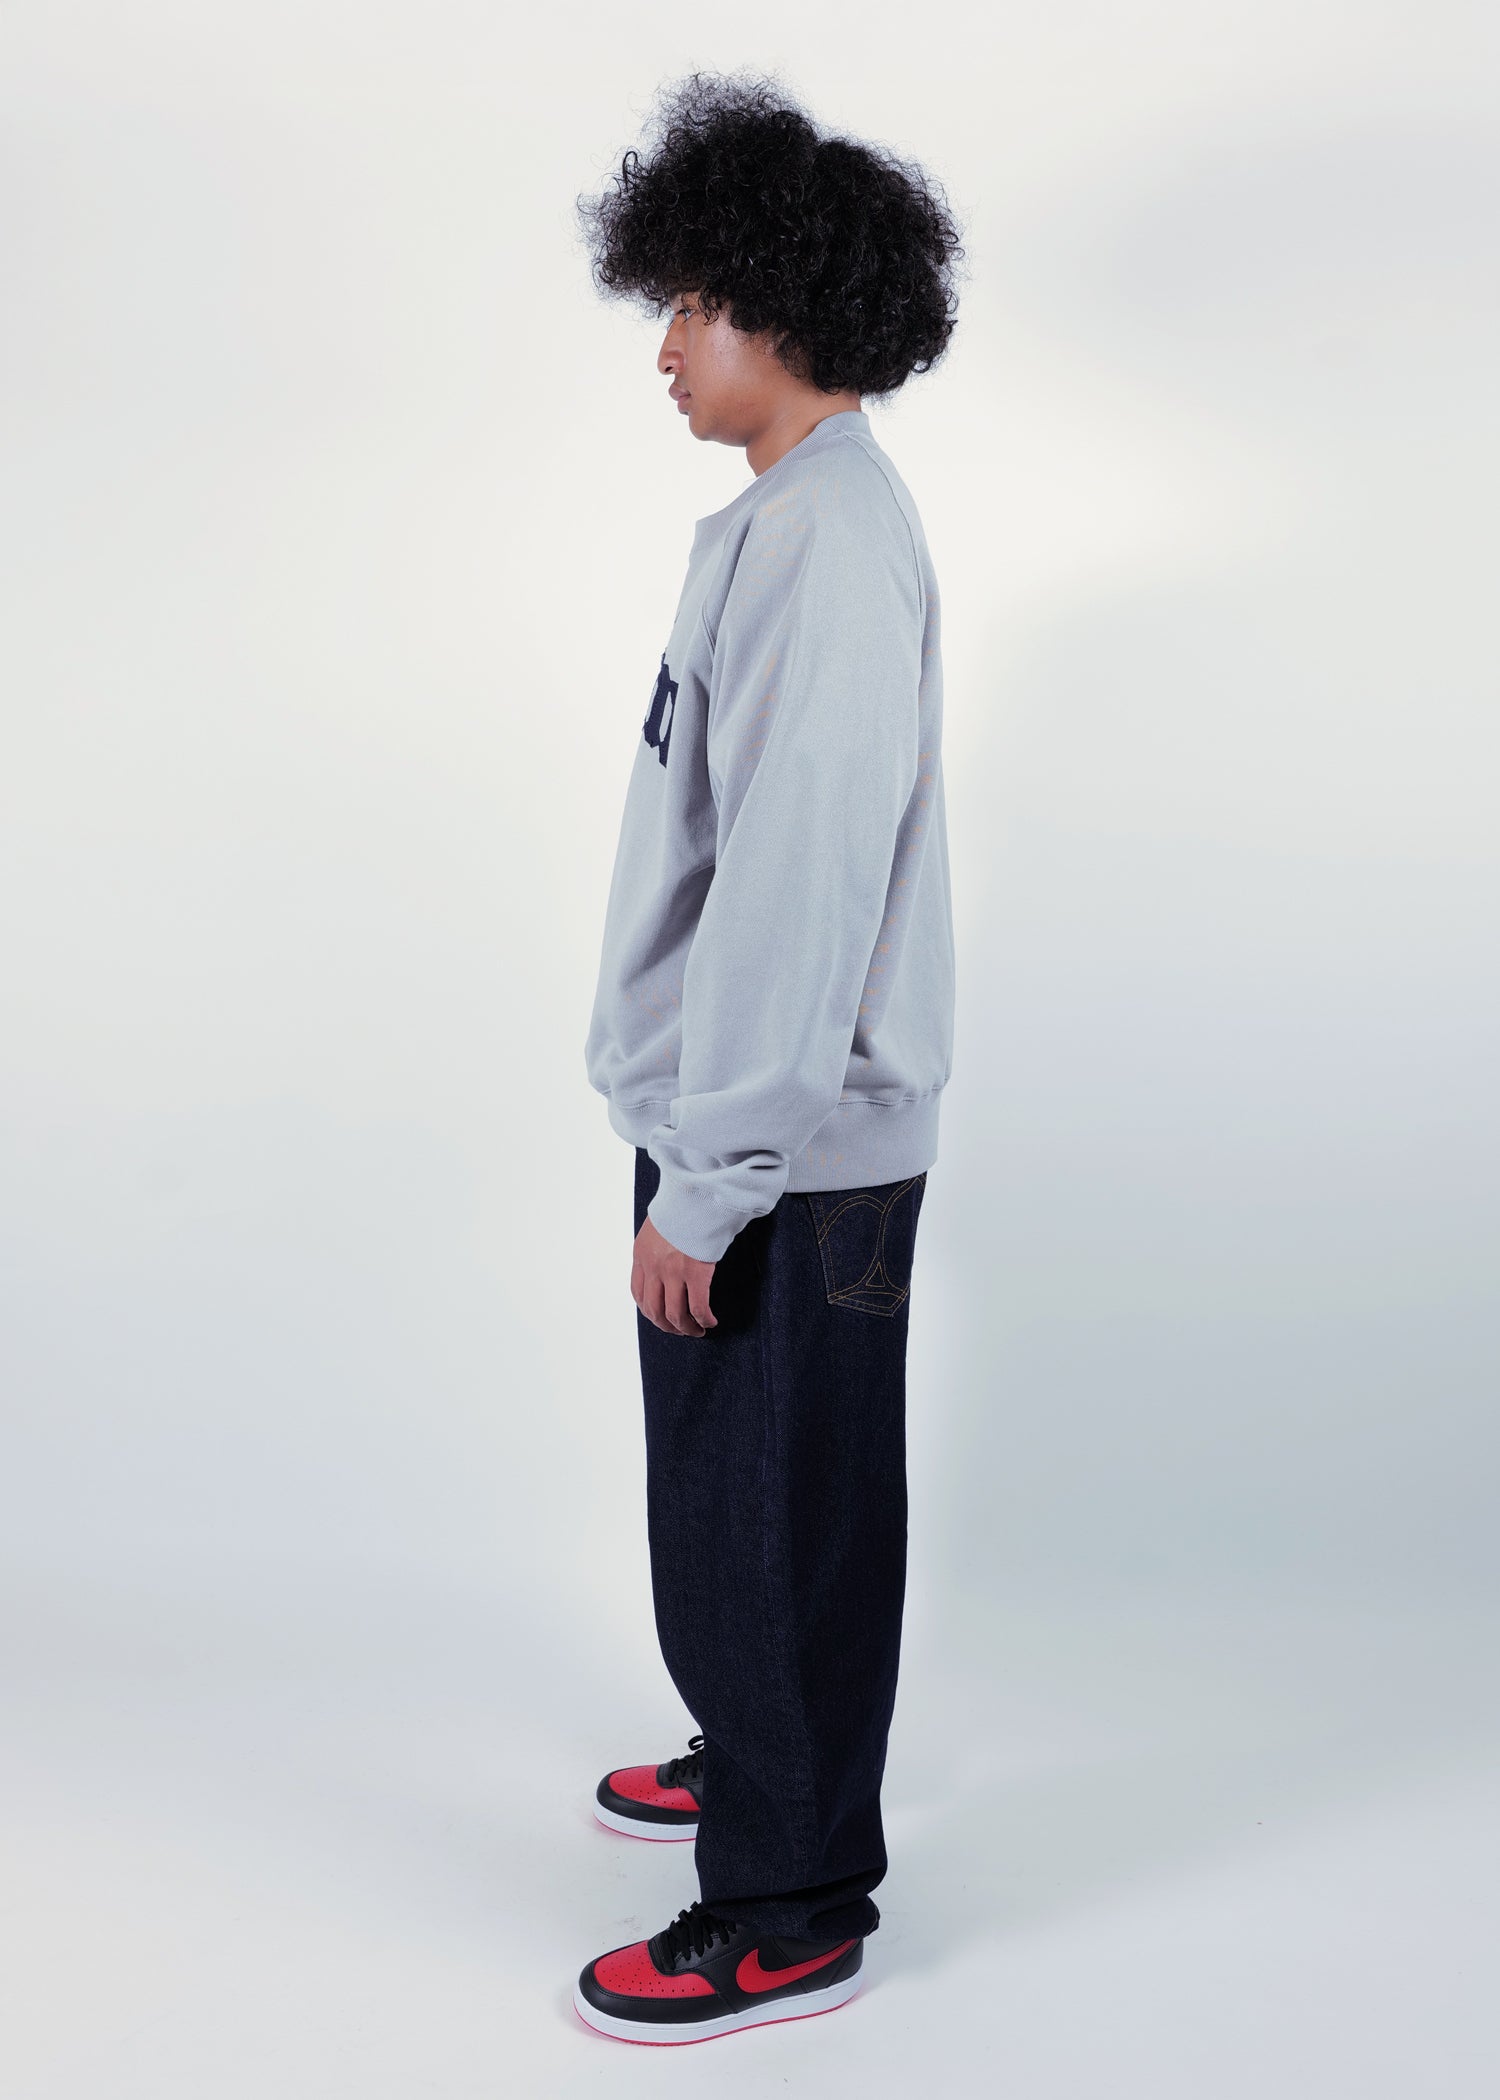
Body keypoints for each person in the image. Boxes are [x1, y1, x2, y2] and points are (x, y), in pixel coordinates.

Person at [572, 68, 964, 2046]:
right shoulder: (784, 523)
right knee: (729, 1491)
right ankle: (757, 1747)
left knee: (782, 1509)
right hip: (740, 1133)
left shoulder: (828, 544)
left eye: (691, 303)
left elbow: (800, 884)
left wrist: (716, 1177)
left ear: (784, 301)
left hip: (786, 1157)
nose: (664, 345)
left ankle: (792, 1900)